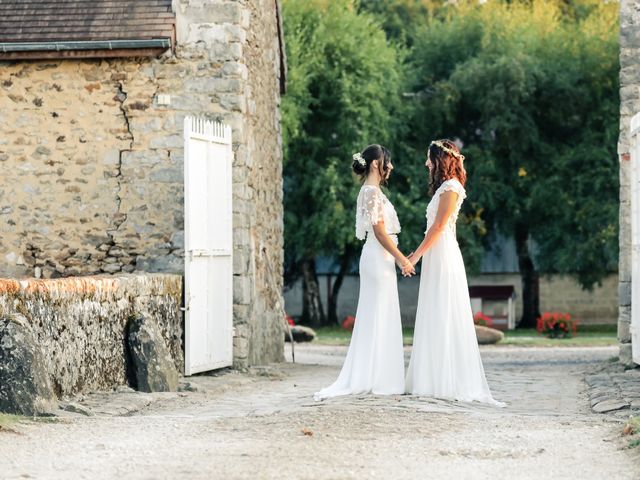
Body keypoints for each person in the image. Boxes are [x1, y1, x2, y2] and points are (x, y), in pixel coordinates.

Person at [405, 139, 504, 406]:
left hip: (442, 252)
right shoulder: (443, 189)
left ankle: (447, 380)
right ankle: (431, 377)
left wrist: (414, 255)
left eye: (429, 158)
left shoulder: (451, 187)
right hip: (439, 253)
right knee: (434, 311)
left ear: (440, 160)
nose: (426, 163)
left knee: (444, 311)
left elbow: (439, 228)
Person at [314, 144, 414, 401]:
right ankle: (371, 376)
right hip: (378, 258)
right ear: (375, 165)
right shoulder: (370, 192)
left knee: (381, 313)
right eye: (387, 162)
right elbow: (380, 232)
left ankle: (380, 374)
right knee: (376, 314)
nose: (390, 166)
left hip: (380, 259)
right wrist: (403, 259)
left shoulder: (373, 191)